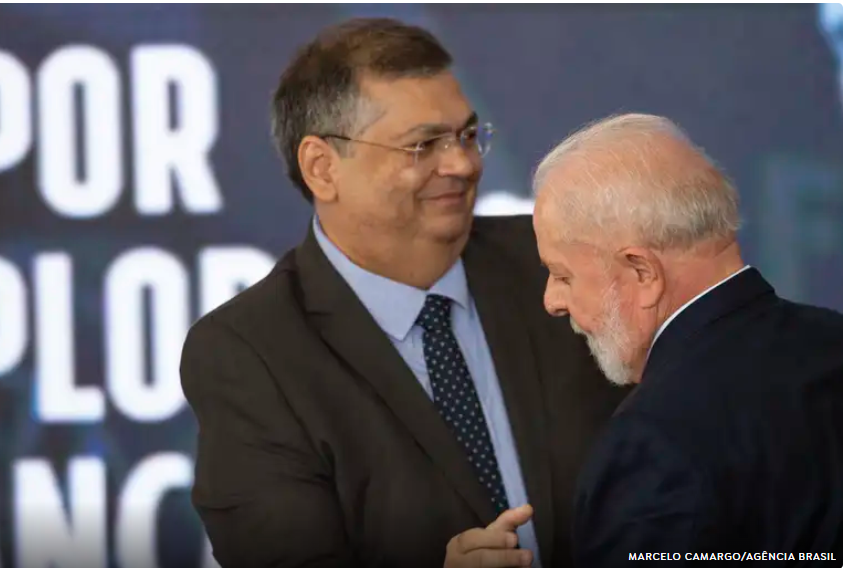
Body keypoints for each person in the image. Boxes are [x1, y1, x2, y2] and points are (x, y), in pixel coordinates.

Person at [179, 18, 624, 568]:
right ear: (322, 168)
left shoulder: (557, 262)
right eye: (423, 145)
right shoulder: (249, 354)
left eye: (467, 135)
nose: (462, 164)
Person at [529, 114, 843, 564]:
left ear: (643, 272)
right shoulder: (832, 341)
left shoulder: (653, 442)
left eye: (562, 275)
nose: (552, 301)